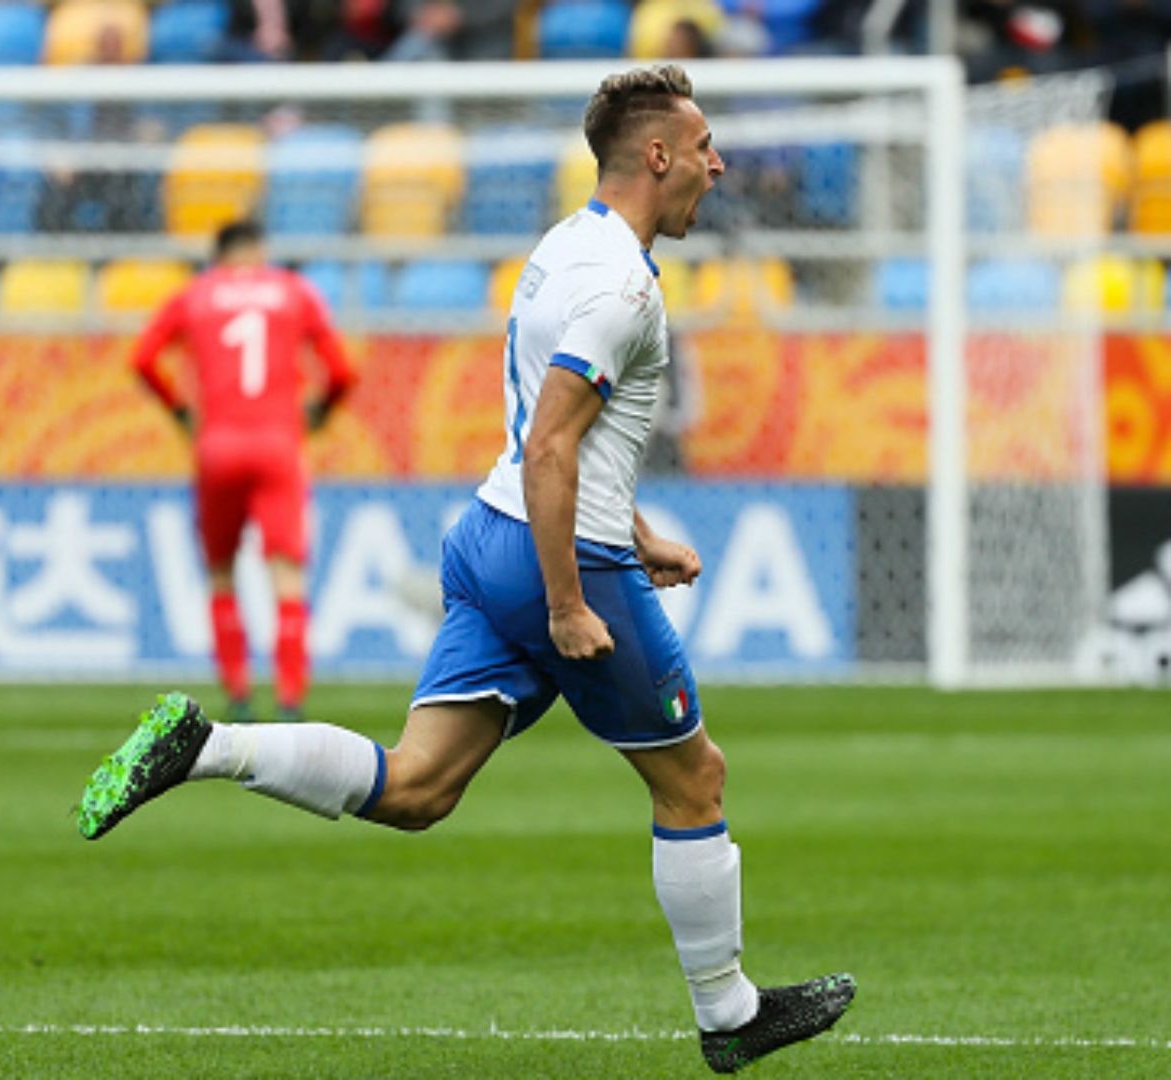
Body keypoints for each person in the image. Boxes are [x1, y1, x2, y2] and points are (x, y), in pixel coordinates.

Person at [79, 65, 854, 1075]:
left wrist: (636, 528)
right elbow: (553, 447)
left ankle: (206, 745)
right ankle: (728, 1012)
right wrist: (570, 600)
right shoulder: (624, 290)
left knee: (418, 787)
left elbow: (555, 433)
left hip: (490, 535)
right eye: (705, 145)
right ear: (658, 154)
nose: (720, 164)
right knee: (693, 778)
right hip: (559, 558)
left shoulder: (564, 246)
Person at [129, 220, 357, 723]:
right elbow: (342, 371)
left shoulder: (194, 295)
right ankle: (290, 700)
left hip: (217, 446)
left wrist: (179, 410)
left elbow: (142, 358)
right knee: (286, 574)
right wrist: (320, 410)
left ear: (218, 254)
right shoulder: (293, 292)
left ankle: (238, 696)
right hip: (279, 443)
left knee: (221, 573)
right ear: (258, 249)